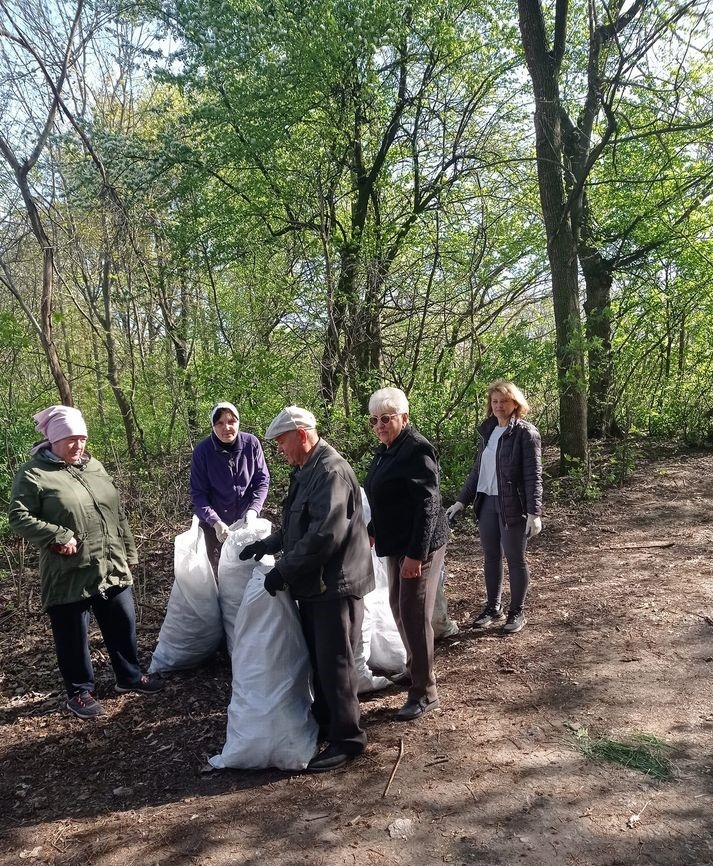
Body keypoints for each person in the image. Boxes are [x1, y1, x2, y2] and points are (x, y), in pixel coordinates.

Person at [239, 406, 374, 772]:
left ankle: (348, 739)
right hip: (316, 584)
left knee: (336, 663)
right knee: (320, 659)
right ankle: (329, 723)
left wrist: (282, 570)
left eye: (282, 442)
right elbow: (301, 524)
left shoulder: (330, 472)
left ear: (301, 434)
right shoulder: (307, 470)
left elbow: (324, 536)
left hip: (336, 583)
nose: (279, 451)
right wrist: (269, 545)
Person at [8, 405, 162, 720]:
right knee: (72, 635)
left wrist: (129, 552)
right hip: (68, 571)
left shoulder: (94, 466)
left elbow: (117, 514)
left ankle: (129, 677)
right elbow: (18, 516)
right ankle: (79, 692)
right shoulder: (34, 473)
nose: (78, 445)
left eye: (82, 438)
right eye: (70, 439)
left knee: (123, 623)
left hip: (111, 562)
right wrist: (56, 534)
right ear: (53, 440)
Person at [363, 387, 449, 722]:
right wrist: (372, 531)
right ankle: (416, 670)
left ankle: (426, 692)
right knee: (399, 607)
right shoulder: (386, 449)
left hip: (419, 544)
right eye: (375, 420)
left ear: (404, 418)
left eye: (387, 418)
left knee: (413, 612)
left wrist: (416, 556)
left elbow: (428, 504)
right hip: (396, 541)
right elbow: (385, 497)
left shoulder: (416, 449)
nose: (380, 425)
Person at [446, 379, 543, 635]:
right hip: (487, 502)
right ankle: (493, 607)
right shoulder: (488, 431)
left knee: (515, 559)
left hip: (513, 504)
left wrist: (535, 512)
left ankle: (517, 611)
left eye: (504, 401)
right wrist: (460, 501)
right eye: (495, 401)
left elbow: (534, 475)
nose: (499, 406)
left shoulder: (526, 433)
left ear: (515, 403)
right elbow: (478, 470)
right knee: (491, 557)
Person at [190, 401, 270, 575]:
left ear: (238, 422)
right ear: (213, 426)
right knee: (216, 573)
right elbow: (198, 494)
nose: (226, 427)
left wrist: (253, 511)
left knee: (251, 569)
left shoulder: (251, 444)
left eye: (231, 421)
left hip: (246, 522)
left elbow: (262, 480)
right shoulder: (202, 452)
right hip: (214, 528)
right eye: (220, 423)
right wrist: (215, 522)